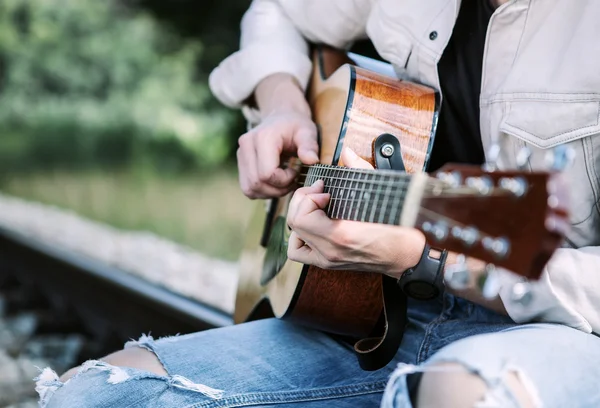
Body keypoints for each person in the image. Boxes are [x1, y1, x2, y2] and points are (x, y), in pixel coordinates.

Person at [36, 0, 600, 407]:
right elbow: (276, 12)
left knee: (457, 397)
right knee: (94, 397)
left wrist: (428, 258)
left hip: (564, 335)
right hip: (378, 317)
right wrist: (283, 106)